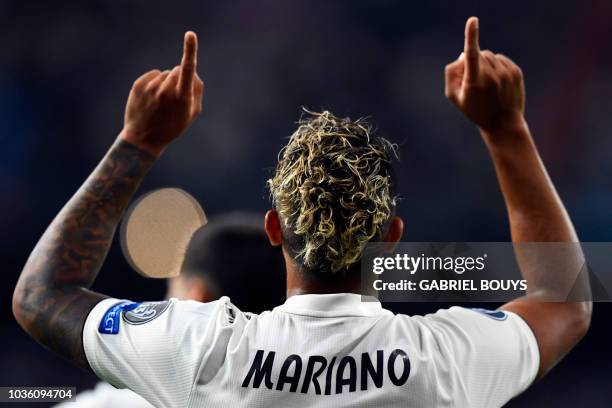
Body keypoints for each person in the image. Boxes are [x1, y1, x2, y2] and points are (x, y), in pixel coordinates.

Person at [13, 17, 591, 407]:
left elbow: (42, 296)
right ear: (391, 240)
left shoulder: (204, 354)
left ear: (273, 230)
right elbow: (565, 301)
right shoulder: (442, 363)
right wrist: (506, 129)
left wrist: (138, 141)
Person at [54, 213, 285, 407]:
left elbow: (43, 297)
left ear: (198, 299)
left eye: (170, 294)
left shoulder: (129, 401)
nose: (165, 304)